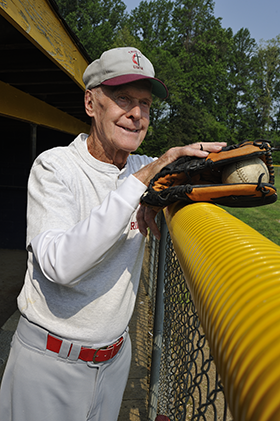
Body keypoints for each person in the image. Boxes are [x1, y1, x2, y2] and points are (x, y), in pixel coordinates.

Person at [0, 47, 226, 421]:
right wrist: (140, 184)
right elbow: (60, 264)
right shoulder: (55, 166)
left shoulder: (143, 168)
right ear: (91, 103)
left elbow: (195, 179)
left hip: (115, 360)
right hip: (50, 362)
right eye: (123, 99)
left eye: (145, 104)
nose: (137, 115)